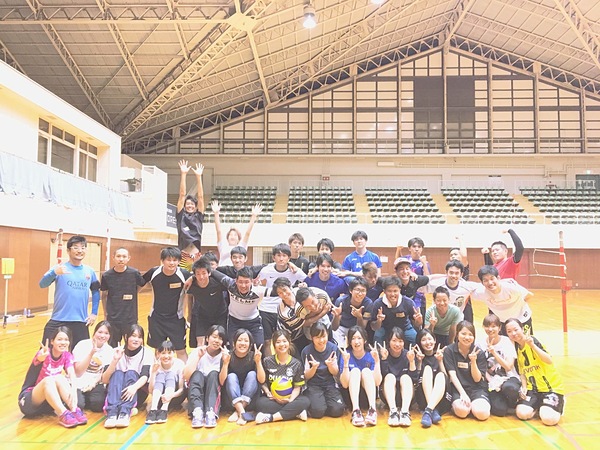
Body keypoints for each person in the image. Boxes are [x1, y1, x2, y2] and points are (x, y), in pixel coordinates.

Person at [39, 235, 100, 348]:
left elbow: (96, 292)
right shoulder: (59, 268)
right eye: (76, 247)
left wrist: (94, 313)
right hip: (58, 319)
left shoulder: (90, 271)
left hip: (80, 321)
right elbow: (42, 284)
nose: (80, 250)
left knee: (81, 354)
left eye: (83, 247)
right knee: (45, 352)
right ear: (68, 250)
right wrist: (54, 273)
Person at [18, 327, 86, 428]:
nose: (63, 342)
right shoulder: (44, 353)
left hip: (48, 402)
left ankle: (74, 409)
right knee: (48, 380)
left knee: (60, 378)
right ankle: (63, 414)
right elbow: (39, 358)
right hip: (29, 401)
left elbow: (72, 374)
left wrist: (73, 391)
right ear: (52, 341)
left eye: (66, 340)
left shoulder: (66, 355)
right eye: (59, 339)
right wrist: (42, 357)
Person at [505, 318, 564, 426]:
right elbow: (522, 372)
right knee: (522, 414)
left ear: (522, 329)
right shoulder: (515, 348)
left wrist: (533, 346)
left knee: (549, 419)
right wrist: (524, 387)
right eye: (509, 331)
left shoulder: (532, 341)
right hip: (533, 390)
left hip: (550, 388)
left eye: (516, 329)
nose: (513, 333)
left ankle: (556, 404)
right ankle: (539, 405)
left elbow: (549, 360)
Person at [143, 247, 191, 361]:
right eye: (169, 260)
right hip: (156, 319)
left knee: (181, 350)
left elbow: (192, 294)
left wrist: (190, 315)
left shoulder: (184, 275)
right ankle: (158, 371)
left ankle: (184, 373)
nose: (172, 263)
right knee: (158, 350)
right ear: (162, 260)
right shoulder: (153, 272)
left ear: (179, 261)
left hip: (176, 320)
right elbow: (138, 286)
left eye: (175, 260)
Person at [257, 243, 307, 354]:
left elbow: (308, 280)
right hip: (267, 309)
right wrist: (257, 283)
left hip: (286, 311)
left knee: (285, 341)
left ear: (289, 258)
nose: (281, 258)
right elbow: (255, 281)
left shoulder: (294, 270)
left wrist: (303, 285)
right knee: (267, 341)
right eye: (278, 255)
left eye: (284, 256)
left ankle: (287, 362)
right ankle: (269, 363)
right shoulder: (266, 270)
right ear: (273, 257)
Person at [102, 324, 153, 428]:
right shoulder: (115, 351)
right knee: (118, 373)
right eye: (133, 336)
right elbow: (105, 380)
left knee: (131, 373)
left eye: (139, 337)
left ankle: (124, 413)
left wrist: (133, 387)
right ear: (126, 337)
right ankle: (112, 414)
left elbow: (144, 376)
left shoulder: (147, 353)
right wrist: (115, 360)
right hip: (116, 390)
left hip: (136, 391)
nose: (136, 340)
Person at [254, 329, 310, 424]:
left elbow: (297, 387)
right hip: (273, 398)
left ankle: (270, 417)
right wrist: (268, 392)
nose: (282, 344)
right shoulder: (267, 361)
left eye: (284, 341)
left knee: (305, 401)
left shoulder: (296, 363)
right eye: (278, 342)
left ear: (289, 342)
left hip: (290, 398)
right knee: (260, 403)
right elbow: (262, 381)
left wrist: (290, 400)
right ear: (274, 345)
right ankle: (295, 412)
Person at [443, 321, 490, 421]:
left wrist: (473, 362)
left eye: (470, 335)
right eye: (463, 334)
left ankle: (474, 407)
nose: (467, 337)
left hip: (477, 389)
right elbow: (452, 375)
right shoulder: (449, 351)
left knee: (482, 414)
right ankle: (459, 406)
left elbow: (477, 379)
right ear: (457, 334)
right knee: (462, 411)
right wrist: (463, 393)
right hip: (458, 389)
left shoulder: (479, 352)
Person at [211, 267, 269, 346]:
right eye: (240, 282)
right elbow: (214, 272)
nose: (243, 285)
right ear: (236, 281)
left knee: (259, 345)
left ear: (252, 281)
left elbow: (277, 291)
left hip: (253, 321)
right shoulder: (231, 284)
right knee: (234, 346)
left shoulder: (258, 290)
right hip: (234, 321)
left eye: (246, 282)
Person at [100, 247, 146, 347]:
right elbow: (104, 295)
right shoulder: (107, 275)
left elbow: (142, 284)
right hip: (113, 318)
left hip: (130, 317)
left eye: (124, 256)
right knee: (112, 345)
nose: (121, 259)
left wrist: (134, 293)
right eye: (118, 256)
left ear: (129, 258)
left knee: (130, 344)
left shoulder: (134, 273)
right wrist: (105, 313)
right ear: (113, 257)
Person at [477, 314, 520, 417]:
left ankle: (515, 401)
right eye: (487, 326)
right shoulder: (480, 343)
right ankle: (502, 401)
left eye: (493, 326)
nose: (490, 329)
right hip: (491, 381)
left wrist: (494, 353)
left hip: (508, 378)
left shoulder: (507, 341)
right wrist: (491, 381)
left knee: (510, 388)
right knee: (499, 410)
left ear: (499, 328)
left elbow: (508, 367)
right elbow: (481, 368)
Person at [184, 325, 228, 428]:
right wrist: (198, 357)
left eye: (220, 338)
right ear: (207, 338)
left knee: (213, 374)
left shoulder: (225, 355)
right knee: (197, 374)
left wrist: (225, 363)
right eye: (214, 337)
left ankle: (211, 413)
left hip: (213, 392)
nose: (216, 341)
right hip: (196, 391)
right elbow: (186, 376)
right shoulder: (198, 351)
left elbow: (222, 382)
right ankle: (197, 412)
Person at [470, 265, 534, 335]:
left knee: (524, 341)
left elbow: (529, 295)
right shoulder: (481, 293)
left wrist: (518, 305)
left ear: (498, 278)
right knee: (504, 341)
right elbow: (468, 289)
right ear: (482, 283)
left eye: (492, 278)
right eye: (485, 280)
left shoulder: (511, 288)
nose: (490, 283)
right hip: (502, 322)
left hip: (522, 319)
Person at [339, 325, 382, 427]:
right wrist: (346, 363)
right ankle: (356, 412)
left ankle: (372, 410)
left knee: (366, 371)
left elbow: (377, 382)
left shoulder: (371, 355)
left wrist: (377, 361)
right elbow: (344, 384)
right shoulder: (346, 355)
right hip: (351, 399)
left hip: (367, 397)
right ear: (349, 341)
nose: (356, 341)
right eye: (353, 338)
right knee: (355, 371)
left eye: (359, 338)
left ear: (365, 340)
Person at [301, 323, 344, 419]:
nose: (321, 340)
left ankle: (325, 403)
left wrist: (330, 366)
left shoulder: (334, 348)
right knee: (318, 412)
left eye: (323, 336)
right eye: (317, 337)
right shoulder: (306, 351)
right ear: (312, 337)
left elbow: (336, 373)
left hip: (330, 384)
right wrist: (313, 368)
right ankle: (320, 404)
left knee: (337, 410)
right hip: (313, 385)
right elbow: (306, 376)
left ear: (327, 334)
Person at [276, 281, 331, 352]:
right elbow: (304, 323)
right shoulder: (289, 313)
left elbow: (328, 306)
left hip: (322, 324)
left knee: (329, 346)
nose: (284, 294)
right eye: (280, 293)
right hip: (293, 335)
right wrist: (322, 312)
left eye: (285, 290)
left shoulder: (321, 295)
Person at [379, 327, 418, 427]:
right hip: (388, 396)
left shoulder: (408, 354)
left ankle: (405, 412)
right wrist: (384, 359)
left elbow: (414, 380)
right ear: (389, 341)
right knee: (390, 376)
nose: (397, 344)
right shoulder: (384, 354)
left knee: (405, 377)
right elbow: (381, 379)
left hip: (407, 397)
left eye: (400, 341)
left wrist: (412, 361)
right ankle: (393, 412)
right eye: (394, 340)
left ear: (404, 342)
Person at [185, 256, 228, 347]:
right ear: (194, 275)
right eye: (198, 274)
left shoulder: (217, 283)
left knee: (220, 342)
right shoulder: (192, 285)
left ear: (209, 273)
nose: (201, 277)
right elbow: (188, 296)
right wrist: (189, 315)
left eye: (204, 273)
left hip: (220, 315)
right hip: (203, 316)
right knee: (200, 345)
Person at [222, 329, 261, 426]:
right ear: (234, 343)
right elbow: (222, 381)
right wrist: (225, 363)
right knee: (231, 376)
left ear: (250, 344)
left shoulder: (254, 356)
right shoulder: (228, 356)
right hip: (231, 399)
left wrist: (258, 362)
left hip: (250, 399)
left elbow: (262, 380)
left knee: (252, 374)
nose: (243, 343)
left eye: (246, 341)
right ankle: (242, 412)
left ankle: (238, 411)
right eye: (240, 340)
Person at [73, 320, 114, 412]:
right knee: (78, 405)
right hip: (78, 381)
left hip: (94, 383)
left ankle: (84, 398)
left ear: (109, 336)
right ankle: (78, 398)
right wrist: (91, 353)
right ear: (94, 332)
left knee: (98, 405)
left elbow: (103, 376)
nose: (102, 336)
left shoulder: (109, 350)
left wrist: (93, 384)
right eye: (100, 332)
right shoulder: (82, 344)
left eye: (106, 333)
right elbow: (78, 372)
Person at [413, 329, 450, 428]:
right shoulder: (417, 357)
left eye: (430, 339)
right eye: (423, 340)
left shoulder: (441, 354)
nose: (427, 342)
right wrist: (419, 362)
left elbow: (446, 379)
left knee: (440, 375)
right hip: (423, 398)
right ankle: (431, 410)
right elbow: (415, 379)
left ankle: (428, 411)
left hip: (441, 399)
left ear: (434, 340)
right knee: (427, 369)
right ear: (419, 343)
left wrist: (440, 361)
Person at [371, 276, 422, 346]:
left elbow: (418, 325)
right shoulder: (378, 304)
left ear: (400, 290)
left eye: (395, 291)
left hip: (405, 328)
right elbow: (373, 327)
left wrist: (419, 320)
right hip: (385, 328)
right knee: (378, 336)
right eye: (389, 291)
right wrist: (379, 321)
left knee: (414, 337)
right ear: (384, 291)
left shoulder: (408, 302)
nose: (392, 294)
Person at [145, 340, 186, 425]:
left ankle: (164, 409)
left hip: (174, 397)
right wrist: (153, 373)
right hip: (159, 398)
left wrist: (171, 396)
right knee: (160, 375)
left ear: (174, 353)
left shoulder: (179, 364)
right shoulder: (155, 365)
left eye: (169, 353)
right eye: (163, 353)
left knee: (170, 374)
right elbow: (150, 391)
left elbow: (182, 389)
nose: (166, 356)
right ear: (158, 354)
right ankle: (153, 409)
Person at [211, 200, 262, 266]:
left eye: (235, 235)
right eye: (230, 235)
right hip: (223, 271)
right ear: (227, 238)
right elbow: (218, 232)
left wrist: (254, 215)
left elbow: (247, 233)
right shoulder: (223, 246)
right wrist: (216, 213)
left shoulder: (241, 246)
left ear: (238, 239)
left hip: (237, 271)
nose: (232, 236)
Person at [176, 159, 205, 270]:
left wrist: (198, 177)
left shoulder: (198, 216)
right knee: (183, 278)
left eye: (192, 204)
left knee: (198, 279)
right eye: (187, 204)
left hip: (197, 256)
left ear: (196, 206)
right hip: (183, 256)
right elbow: (182, 194)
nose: (190, 206)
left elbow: (201, 197)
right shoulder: (181, 215)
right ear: (184, 206)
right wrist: (183, 174)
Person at [331, 277, 373, 347]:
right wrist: (337, 316)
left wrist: (359, 317)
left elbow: (362, 328)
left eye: (363, 291)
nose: (360, 294)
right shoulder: (341, 301)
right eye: (357, 290)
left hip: (356, 329)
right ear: (351, 290)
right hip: (341, 328)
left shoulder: (368, 303)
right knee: (339, 345)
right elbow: (334, 328)